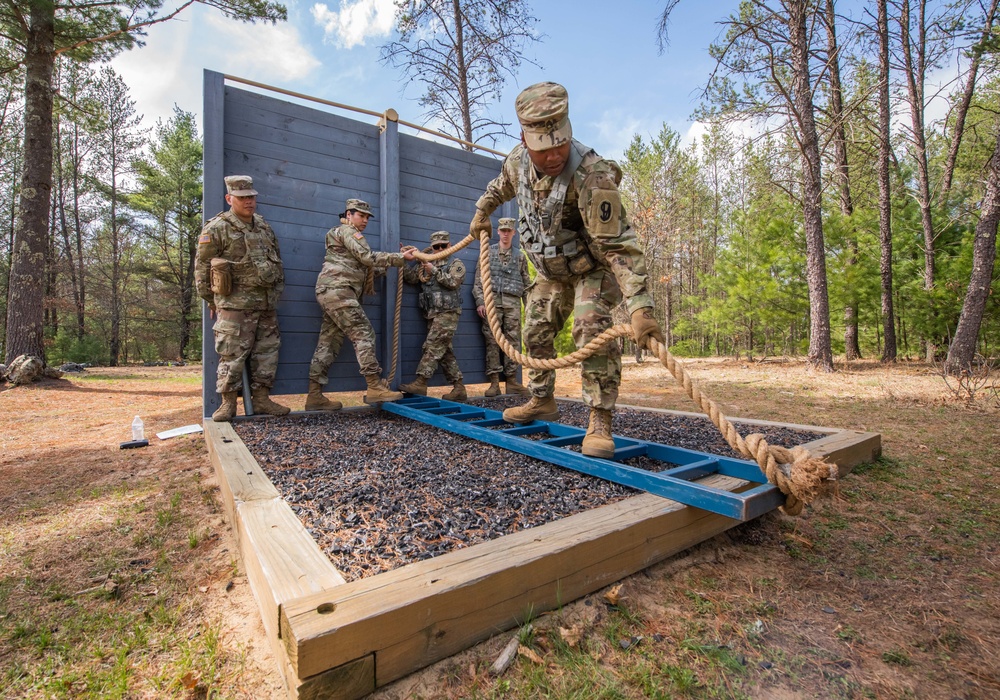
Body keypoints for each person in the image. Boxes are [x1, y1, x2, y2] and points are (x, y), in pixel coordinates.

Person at [468, 81, 664, 458]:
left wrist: (640, 305)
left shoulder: (592, 173)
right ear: (526, 142)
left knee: (589, 325)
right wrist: (482, 210)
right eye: (545, 148)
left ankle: (600, 420)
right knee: (535, 330)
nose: (555, 154)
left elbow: (619, 243)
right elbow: (500, 186)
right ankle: (542, 399)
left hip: (593, 267)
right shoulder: (516, 163)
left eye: (561, 142)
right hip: (551, 270)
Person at [196, 175, 291, 422]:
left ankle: (261, 400)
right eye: (242, 198)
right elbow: (202, 267)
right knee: (231, 353)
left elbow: (276, 259)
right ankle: (228, 403)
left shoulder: (262, 225)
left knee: (267, 352)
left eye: (251, 197)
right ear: (230, 199)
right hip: (235, 305)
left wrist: (276, 291)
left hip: (266, 303)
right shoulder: (217, 228)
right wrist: (211, 299)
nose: (249, 202)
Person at [307, 198, 417, 409]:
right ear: (349, 215)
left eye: (367, 216)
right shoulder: (348, 232)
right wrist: (399, 258)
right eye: (361, 215)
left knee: (328, 342)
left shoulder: (343, 235)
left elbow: (363, 267)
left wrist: (393, 261)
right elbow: (367, 258)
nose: (365, 220)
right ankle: (374, 386)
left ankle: (314, 395)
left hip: (331, 291)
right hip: (338, 291)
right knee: (364, 333)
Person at [399, 231, 468, 401]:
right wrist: (402, 260)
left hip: (448, 313)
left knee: (432, 346)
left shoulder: (456, 263)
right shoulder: (426, 261)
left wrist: (434, 270)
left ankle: (421, 382)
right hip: (432, 313)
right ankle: (459, 388)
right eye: (436, 246)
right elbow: (412, 278)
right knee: (444, 351)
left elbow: (453, 283)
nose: (439, 249)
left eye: (443, 246)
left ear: (449, 246)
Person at [472, 216, 531, 397]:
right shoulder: (487, 253)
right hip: (492, 304)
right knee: (492, 342)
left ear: (513, 233)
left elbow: (527, 285)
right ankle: (495, 383)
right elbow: (478, 282)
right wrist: (481, 302)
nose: (505, 234)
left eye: (509, 231)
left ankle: (512, 381)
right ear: (498, 232)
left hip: (512, 304)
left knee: (513, 342)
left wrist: (528, 308)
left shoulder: (520, 257)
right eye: (502, 230)